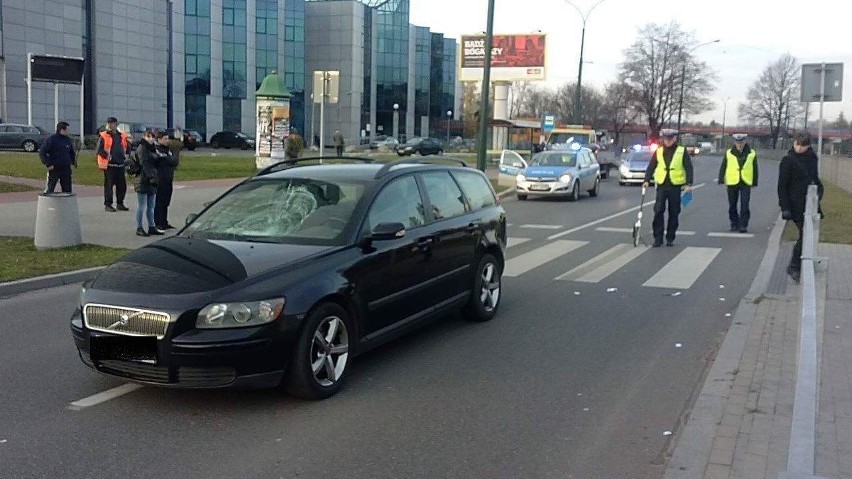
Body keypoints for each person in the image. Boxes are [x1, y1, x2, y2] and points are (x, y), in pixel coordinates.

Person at [778, 131, 823, 283]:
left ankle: (799, 264)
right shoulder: (787, 160)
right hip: (794, 204)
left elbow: (814, 178)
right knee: (805, 234)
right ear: (794, 142)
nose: (799, 148)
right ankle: (794, 265)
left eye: (803, 146)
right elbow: (782, 186)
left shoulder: (812, 158)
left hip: (809, 202)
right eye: (797, 144)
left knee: (807, 234)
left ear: (808, 146)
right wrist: (785, 207)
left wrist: (817, 196)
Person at [643, 129, 694, 247]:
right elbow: (652, 166)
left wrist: (688, 184)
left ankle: (670, 237)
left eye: (670, 139)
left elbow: (688, 168)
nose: (668, 142)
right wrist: (646, 180)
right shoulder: (659, 151)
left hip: (675, 186)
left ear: (675, 139)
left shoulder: (681, 151)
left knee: (674, 212)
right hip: (662, 185)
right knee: (658, 211)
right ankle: (658, 238)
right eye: (666, 139)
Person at [718, 133, 758, 233]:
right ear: (735, 142)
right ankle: (734, 223)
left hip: (745, 181)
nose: (739, 144)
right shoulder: (729, 153)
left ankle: (743, 225)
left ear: (745, 141)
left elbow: (755, 168)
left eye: (741, 142)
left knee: (745, 204)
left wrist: (754, 182)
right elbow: (724, 166)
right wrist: (721, 178)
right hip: (732, 182)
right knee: (732, 205)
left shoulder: (751, 153)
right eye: (737, 142)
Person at [131, 130, 162, 237]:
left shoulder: (153, 148)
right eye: (149, 137)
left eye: (153, 137)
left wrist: (159, 157)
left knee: (151, 206)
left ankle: (151, 226)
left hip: (152, 179)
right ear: (144, 137)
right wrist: (151, 177)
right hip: (143, 179)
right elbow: (144, 163)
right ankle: (139, 227)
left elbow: (154, 163)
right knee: (142, 206)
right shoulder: (142, 148)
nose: (151, 139)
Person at [97, 117, 131, 212]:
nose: (110, 125)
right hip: (109, 165)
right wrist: (107, 156)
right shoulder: (104, 136)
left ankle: (120, 203)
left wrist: (127, 156)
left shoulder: (122, 136)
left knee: (122, 185)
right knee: (109, 186)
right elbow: (99, 150)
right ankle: (108, 204)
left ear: (116, 124)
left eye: (112, 123)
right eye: (109, 123)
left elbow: (127, 147)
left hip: (120, 164)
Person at [39, 121, 77, 193]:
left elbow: (71, 152)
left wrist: (73, 162)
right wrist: (48, 164)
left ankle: (66, 203)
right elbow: (42, 152)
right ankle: (49, 202)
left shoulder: (68, 140)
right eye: (67, 130)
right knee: (50, 188)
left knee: (67, 190)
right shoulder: (51, 139)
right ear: (62, 130)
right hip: (54, 168)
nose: (68, 132)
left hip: (66, 168)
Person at [154, 131, 180, 230]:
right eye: (165, 139)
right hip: (160, 179)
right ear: (159, 140)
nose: (167, 141)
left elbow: (174, 162)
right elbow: (169, 160)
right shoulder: (157, 150)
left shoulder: (168, 150)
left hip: (168, 178)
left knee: (166, 201)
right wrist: (171, 158)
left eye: (167, 139)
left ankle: (164, 222)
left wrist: (173, 156)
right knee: (159, 202)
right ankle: (157, 222)